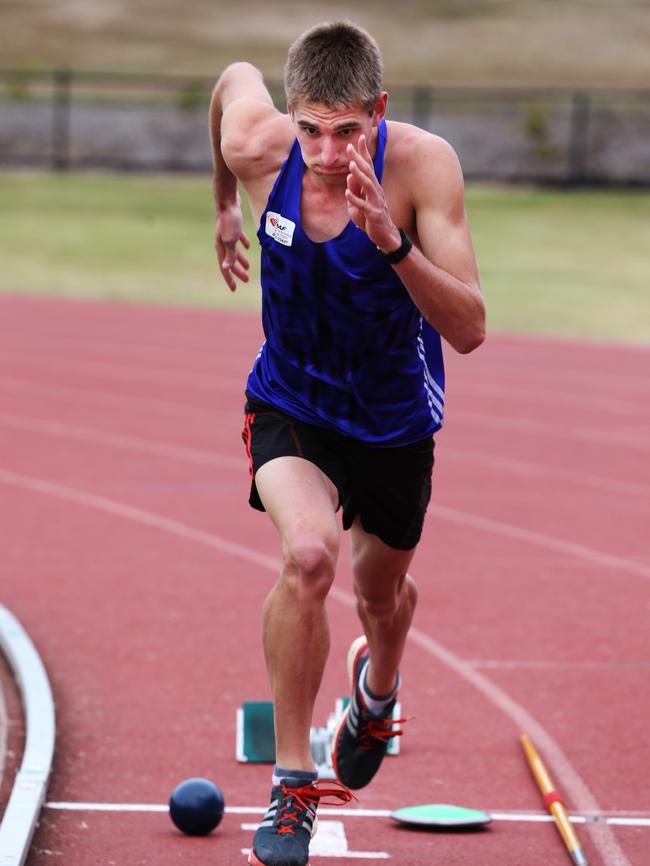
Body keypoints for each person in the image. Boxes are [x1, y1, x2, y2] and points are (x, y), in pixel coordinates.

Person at [209, 20, 484, 866]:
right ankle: (293, 783)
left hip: (395, 419)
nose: (328, 153)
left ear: (380, 113)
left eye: (349, 130)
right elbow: (231, 79)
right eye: (312, 130)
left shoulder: (423, 166)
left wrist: (391, 245)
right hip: (292, 400)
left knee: (379, 595)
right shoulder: (261, 145)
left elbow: (470, 327)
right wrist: (223, 202)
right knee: (312, 558)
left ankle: (378, 689)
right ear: (292, 117)